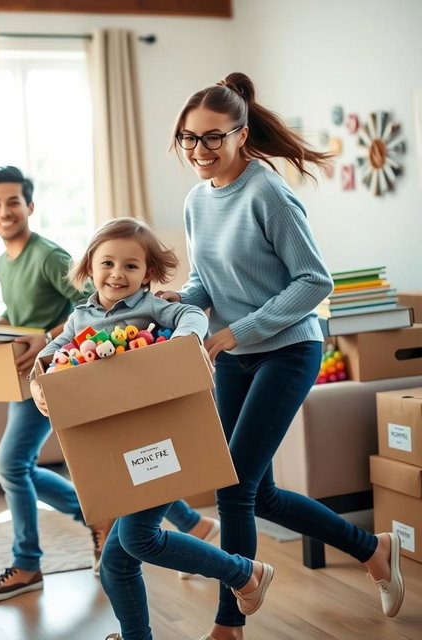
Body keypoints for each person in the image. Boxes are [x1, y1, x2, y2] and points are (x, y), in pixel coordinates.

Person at [158, 72, 405, 639]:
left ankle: (228, 626)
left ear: (241, 134)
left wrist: (239, 330)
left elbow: (315, 282)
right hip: (235, 354)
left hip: (288, 349)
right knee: (255, 489)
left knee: (233, 488)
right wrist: (183, 299)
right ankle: (373, 548)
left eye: (213, 137)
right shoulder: (198, 200)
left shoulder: (267, 192)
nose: (199, 150)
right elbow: (207, 281)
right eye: (188, 139)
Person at [30, 217, 275, 640]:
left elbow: (191, 314)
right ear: (89, 267)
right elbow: (55, 351)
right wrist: (38, 380)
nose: (117, 274)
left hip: (159, 440)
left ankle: (243, 572)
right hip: (115, 446)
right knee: (115, 562)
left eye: (131, 266)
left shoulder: (150, 308)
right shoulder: (79, 318)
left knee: (139, 539)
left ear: (148, 273)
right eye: (107, 263)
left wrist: (182, 343)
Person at [0, 165, 115, 603]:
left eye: (13, 201)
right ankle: (99, 517)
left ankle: (28, 564)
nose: (5, 211)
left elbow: (93, 304)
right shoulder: (3, 261)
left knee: (11, 465)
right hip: (27, 380)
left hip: (58, 373)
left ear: (30, 206)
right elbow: (23, 316)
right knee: (17, 466)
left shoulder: (49, 255)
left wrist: (48, 337)